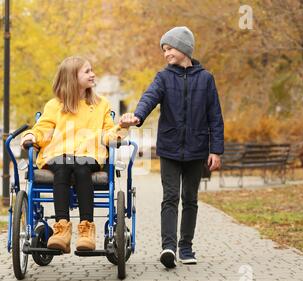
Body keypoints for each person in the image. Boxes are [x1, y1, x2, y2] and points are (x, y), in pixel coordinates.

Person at [120, 26, 224, 268]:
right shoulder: (163, 77)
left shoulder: (206, 79)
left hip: (197, 149)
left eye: (169, 49)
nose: (166, 54)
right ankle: (168, 247)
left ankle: (186, 247)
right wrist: (137, 116)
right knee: (170, 197)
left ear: (184, 48)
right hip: (169, 148)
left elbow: (215, 117)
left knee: (190, 199)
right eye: (163, 50)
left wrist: (216, 150)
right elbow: (149, 97)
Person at [20, 56, 130, 253]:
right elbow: (42, 130)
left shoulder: (101, 104)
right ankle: (62, 229)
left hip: (89, 155)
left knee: (80, 167)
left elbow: (108, 134)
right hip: (59, 154)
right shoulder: (54, 106)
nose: (93, 74)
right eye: (87, 71)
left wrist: (121, 128)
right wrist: (30, 136)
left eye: (91, 70)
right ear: (72, 77)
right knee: (62, 168)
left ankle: (86, 229)